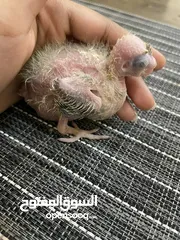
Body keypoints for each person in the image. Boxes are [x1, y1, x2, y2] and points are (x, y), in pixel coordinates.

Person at [0, 0, 166, 121]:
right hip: (42, 95)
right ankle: (64, 127)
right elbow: (64, 85)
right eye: (142, 64)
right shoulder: (99, 95)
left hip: (30, 79)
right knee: (80, 104)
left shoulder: (101, 63)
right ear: (124, 64)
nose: (151, 66)